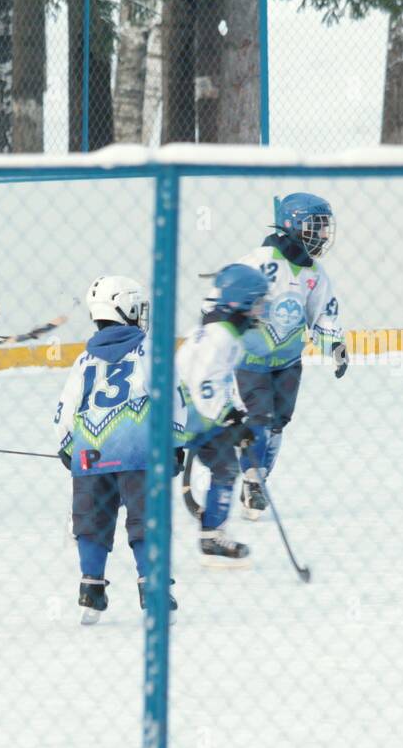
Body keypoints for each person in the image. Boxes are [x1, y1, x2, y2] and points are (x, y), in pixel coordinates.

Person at [56, 276, 185, 624]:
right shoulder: (150, 350)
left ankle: (90, 589)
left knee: (91, 520)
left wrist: (68, 446)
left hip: (90, 451)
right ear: (125, 308)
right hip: (138, 453)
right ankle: (153, 589)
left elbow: (66, 407)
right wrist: (174, 443)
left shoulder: (83, 360)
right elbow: (171, 396)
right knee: (147, 519)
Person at [231, 192, 346, 520]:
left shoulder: (316, 275)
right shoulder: (260, 261)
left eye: (326, 227)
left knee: (279, 422)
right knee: (260, 417)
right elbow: (226, 297)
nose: (323, 234)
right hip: (252, 360)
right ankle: (251, 478)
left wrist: (334, 345)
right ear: (295, 224)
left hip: (289, 362)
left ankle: (258, 480)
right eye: (317, 226)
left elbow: (323, 314)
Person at [175, 264, 271, 565]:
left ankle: (212, 535)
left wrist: (236, 414)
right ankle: (93, 514)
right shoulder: (222, 337)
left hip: (197, 416)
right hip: (184, 418)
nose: (261, 308)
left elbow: (219, 381)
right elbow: (205, 384)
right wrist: (229, 419)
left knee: (226, 467)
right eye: (257, 302)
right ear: (239, 303)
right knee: (145, 476)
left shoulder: (223, 332)